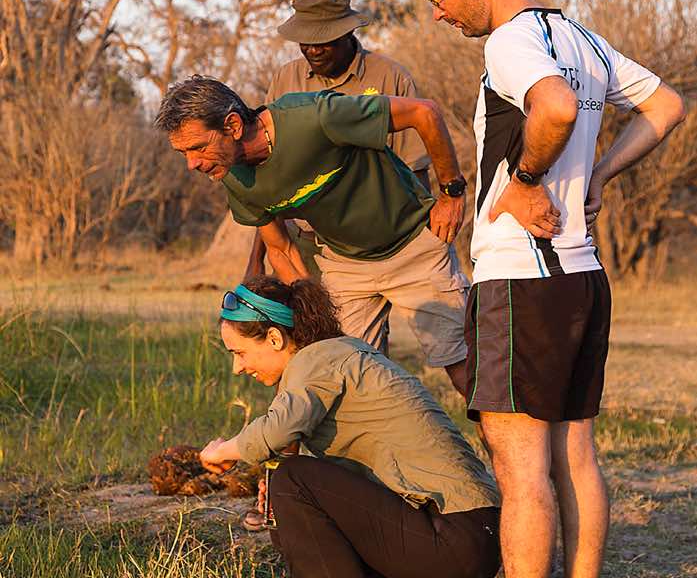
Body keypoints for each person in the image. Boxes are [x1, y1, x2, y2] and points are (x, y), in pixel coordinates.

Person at [406, 0, 686, 578]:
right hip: (581, 277)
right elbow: (666, 106)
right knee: (574, 454)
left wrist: (527, 180)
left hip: (519, 278)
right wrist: (598, 173)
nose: (435, 10)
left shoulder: (511, 39)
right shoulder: (583, 39)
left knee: (519, 461)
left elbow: (553, 109)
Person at [198, 276, 501, 578]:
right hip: (468, 538)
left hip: (455, 539)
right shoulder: (342, 355)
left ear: (274, 338)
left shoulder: (317, 360)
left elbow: (276, 432)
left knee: (292, 481)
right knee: (289, 487)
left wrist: (226, 449)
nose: (238, 367)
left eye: (239, 352)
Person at [154, 75, 470, 396]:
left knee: (463, 367)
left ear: (233, 125)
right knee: (343, 380)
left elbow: (423, 112)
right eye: (183, 153)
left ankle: (506, 445)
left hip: (412, 244)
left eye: (198, 148)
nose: (192, 164)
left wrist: (451, 192)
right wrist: (313, 317)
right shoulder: (234, 177)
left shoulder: (315, 117)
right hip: (345, 263)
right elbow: (280, 249)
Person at [245, 0, 432, 281]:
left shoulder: (390, 78)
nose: (314, 49)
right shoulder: (286, 80)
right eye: (305, 40)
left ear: (349, 31)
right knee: (316, 326)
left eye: (324, 39)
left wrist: (428, 242)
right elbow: (266, 181)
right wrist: (257, 261)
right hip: (307, 239)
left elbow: (414, 167)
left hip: (384, 237)